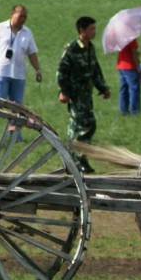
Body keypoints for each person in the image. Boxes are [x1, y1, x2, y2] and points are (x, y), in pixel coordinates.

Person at [0, 4, 41, 141]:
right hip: (1, 72)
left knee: (17, 108)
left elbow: (32, 54)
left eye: (25, 16)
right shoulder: (0, 28)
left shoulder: (27, 33)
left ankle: (13, 133)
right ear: (12, 14)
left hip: (18, 75)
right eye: (20, 16)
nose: (23, 19)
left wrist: (37, 70)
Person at [56, 16, 111, 171]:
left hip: (86, 94)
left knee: (75, 127)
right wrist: (64, 91)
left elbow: (95, 70)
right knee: (87, 124)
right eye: (91, 29)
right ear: (82, 31)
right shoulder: (72, 49)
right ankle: (79, 160)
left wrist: (103, 88)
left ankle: (71, 160)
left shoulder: (90, 48)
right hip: (75, 94)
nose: (94, 31)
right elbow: (61, 72)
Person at [117, 36, 141, 115]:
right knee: (134, 89)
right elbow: (134, 53)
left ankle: (123, 110)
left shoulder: (119, 37)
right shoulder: (131, 38)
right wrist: (138, 67)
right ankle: (135, 111)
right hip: (130, 66)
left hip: (121, 65)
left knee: (123, 89)